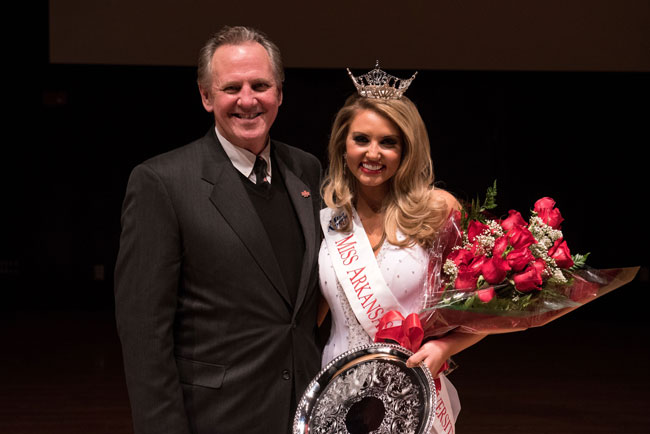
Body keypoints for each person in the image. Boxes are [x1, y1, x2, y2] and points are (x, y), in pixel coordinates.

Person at [114, 26, 322, 434]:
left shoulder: (307, 170)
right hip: (216, 418)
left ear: (279, 92)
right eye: (231, 88)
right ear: (207, 97)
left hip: (306, 412)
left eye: (260, 85)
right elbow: (144, 335)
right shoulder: (162, 182)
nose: (248, 100)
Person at [318, 64, 487, 433]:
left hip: (409, 393)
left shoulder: (437, 210)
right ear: (342, 144)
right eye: (361, 139)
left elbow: (486, 304)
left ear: (406, 148)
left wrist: (445, 349)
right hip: (337, 393)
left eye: (388, 142)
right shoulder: (331, 220)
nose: (372, 153)